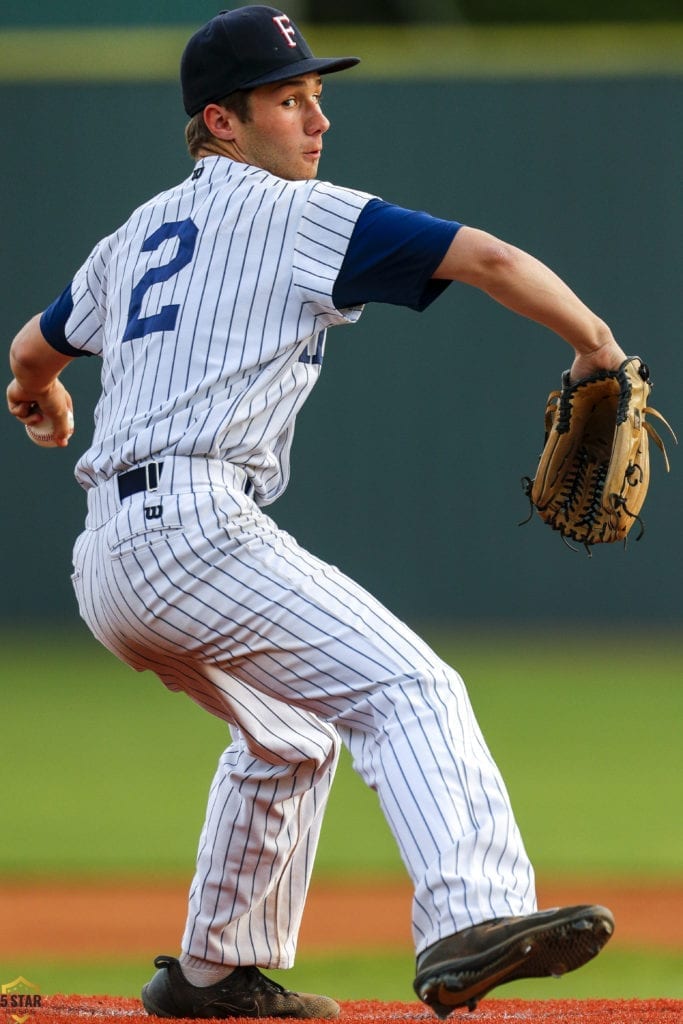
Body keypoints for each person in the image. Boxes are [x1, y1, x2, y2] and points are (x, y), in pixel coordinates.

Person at [7, 6, 620, 1019]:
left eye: (316, 97)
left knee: (289, 735)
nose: (315, 119)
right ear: (220, 121)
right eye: (287, 99)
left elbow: (35, 345)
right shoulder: (301, 215)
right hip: (195, 526)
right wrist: (594, 345)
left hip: (109, 562)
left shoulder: (135, 235)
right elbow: (489, 260)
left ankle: (210, 973)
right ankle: (470, 916)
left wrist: (41, 399)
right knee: (411, 687)